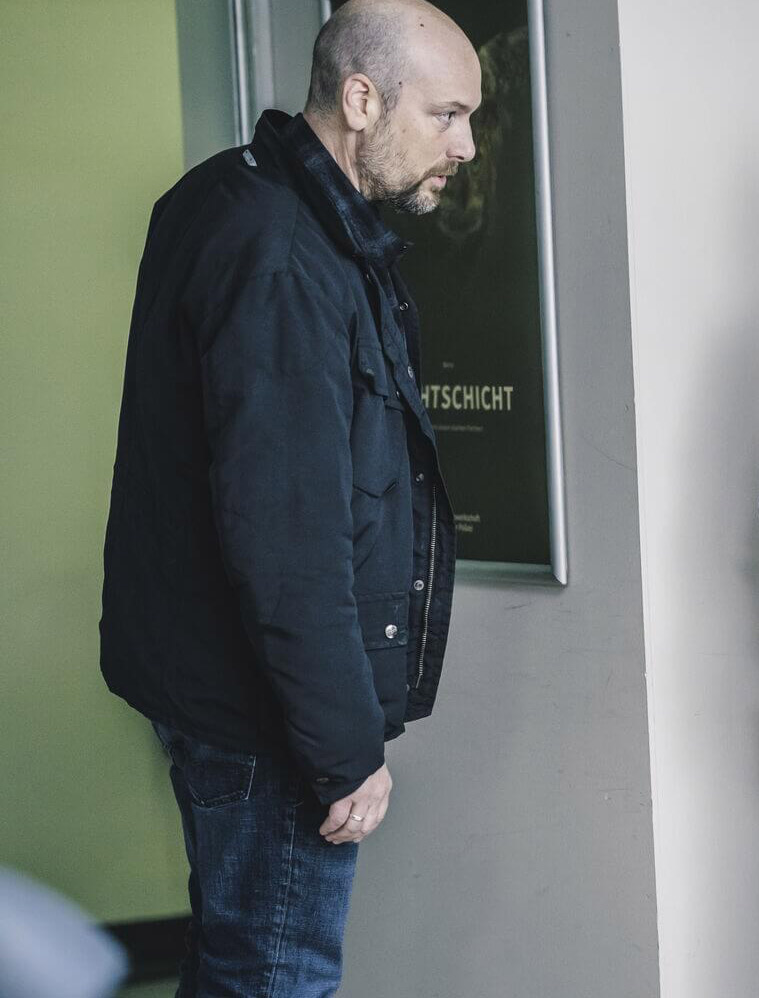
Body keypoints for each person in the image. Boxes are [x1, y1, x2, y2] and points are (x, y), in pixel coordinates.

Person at [99, 1, 478, 991]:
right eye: (445, 114)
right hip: (263, 715)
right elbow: (285, 533)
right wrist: (345, 753)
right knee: (274, 973)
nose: (465, 145)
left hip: (225, 690)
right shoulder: (280, 250)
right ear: (362, 99)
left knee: (237, 961)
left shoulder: (235, 198)